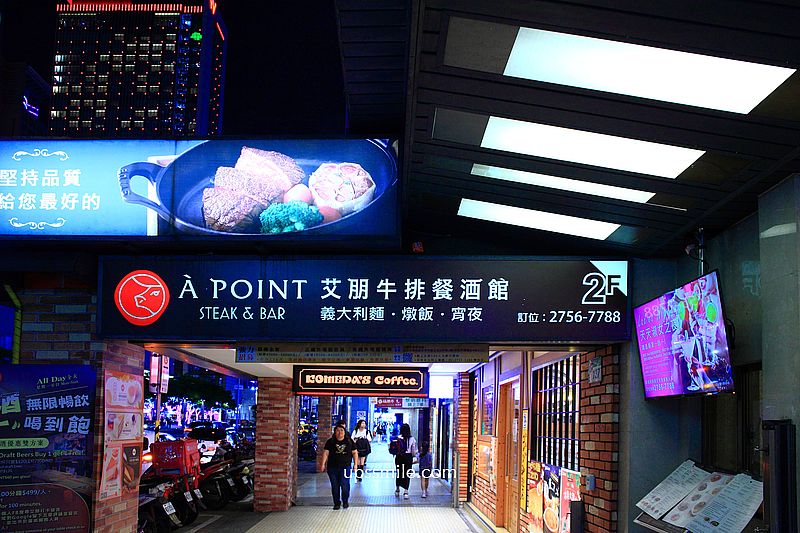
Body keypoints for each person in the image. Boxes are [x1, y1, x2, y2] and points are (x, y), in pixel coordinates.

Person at [321, 425, 358, 510]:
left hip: (346, 467)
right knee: (335, 485)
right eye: (337, 430)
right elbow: (326, 453)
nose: (339, 432)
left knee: (345, 484)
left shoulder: (349, 441)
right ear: (334, 432)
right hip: (332, 467)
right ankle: (336, 503)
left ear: (344, 432)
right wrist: (323, 464)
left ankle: (345, 501)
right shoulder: (330, 442)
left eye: (341, 430)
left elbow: (355, 453)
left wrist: (355, 465)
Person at [390, 423, 417, 499]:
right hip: (408, 458)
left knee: (399, 473)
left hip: (399, 457)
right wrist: (413, 456)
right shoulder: (412, 439)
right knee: (407, 474)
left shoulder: (398, 438)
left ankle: (397, 489)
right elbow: (413, 451)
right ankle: (406, 491)